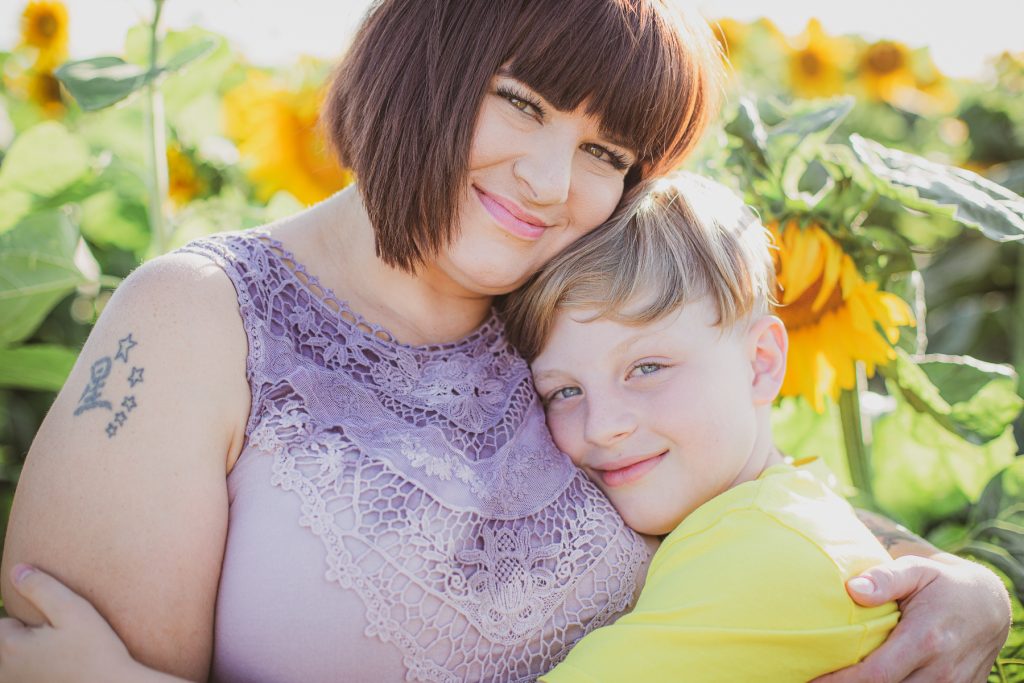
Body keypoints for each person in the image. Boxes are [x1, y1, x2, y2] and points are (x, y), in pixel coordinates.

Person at [0, 1, 1011, 682]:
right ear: (417, 66)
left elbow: (756, 505)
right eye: (519, 101)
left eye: (604, 151)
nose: (546, 181)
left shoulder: (568, 323)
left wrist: (965, 587)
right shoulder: (198, 321)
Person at [503, 172, 900, 680]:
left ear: (761, 362)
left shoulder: (763, 560)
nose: (602, 427)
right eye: (563, 392)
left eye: (647, 368)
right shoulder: (768, 511)